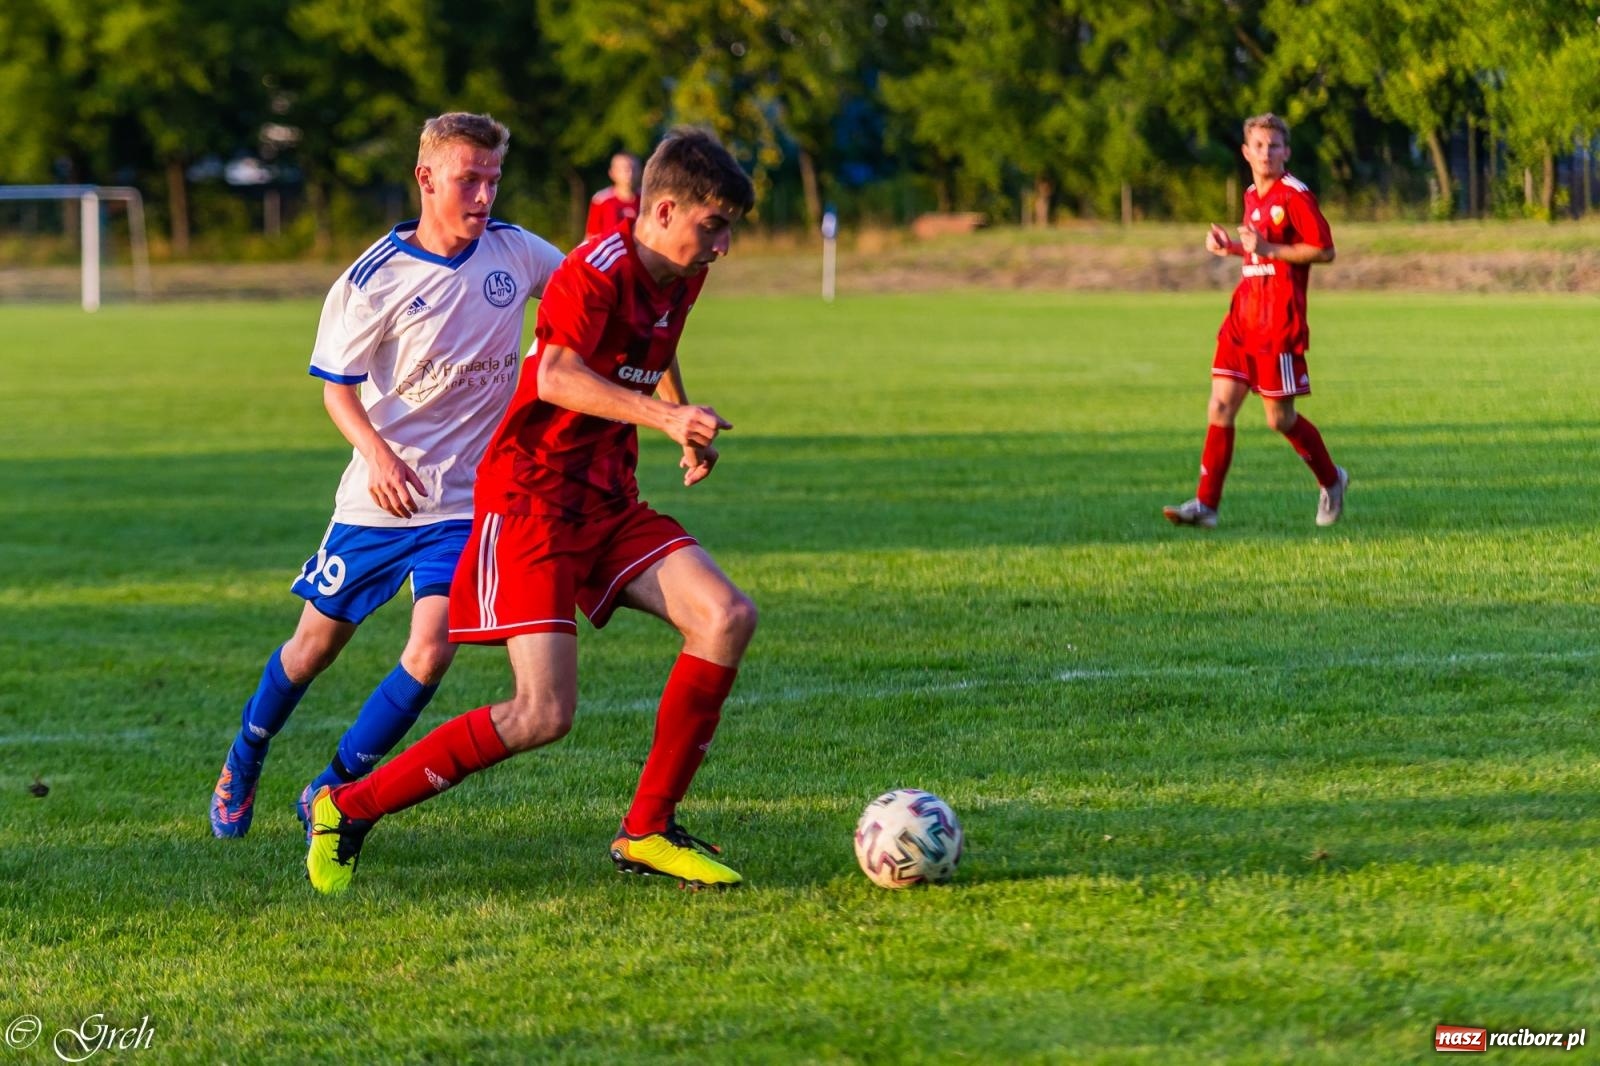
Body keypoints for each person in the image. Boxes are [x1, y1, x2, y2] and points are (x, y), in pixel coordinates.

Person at [305, 127, 759, 894]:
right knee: (542, 713)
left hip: (609, 499)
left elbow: (659, 344)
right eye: (712, 226)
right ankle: (346, 806)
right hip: (532, 504)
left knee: (725, 616)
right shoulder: (592, 271)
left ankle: (648, 829)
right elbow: (552, 374)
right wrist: (664, 420)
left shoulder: (683, 272)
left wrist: (682, 416)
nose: (721, 245)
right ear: (665, 209)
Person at [209, 112, 564, 838]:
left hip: (466, 501)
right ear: (426, 178)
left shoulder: (516, 253)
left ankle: (332, 789)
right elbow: (336, 389)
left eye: (493, 179)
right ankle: (245, 757)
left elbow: (585, 297)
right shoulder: (374, 279)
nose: (484, 196)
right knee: (312, 649)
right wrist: (378, 454)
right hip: (380, 502)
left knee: (431, 651)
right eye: (469, 179)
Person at [1164, 112, 1346, 529]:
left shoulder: (1295, 195)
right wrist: (1230, 247)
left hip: (1277, 325)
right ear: (1246, 152)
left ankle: (1332, 481)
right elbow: (1257, 252)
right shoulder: (1251, 195)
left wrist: (1269, 248)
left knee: (1279, 419)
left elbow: (1324, 251)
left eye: (1275, 146)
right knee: (1220, 404)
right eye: (1259, 146)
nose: (1267, 153)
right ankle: (1206, 506)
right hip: (1242, 320)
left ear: (1287, 152)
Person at [584, 152, 641, 238]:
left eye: (634, 169)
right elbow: (592, 236)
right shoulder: (601, 200)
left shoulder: (648, 199)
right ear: (612, 173)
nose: (630, 174)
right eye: (625, 169)